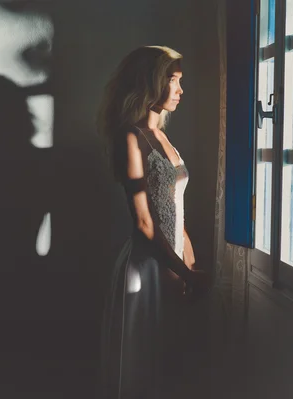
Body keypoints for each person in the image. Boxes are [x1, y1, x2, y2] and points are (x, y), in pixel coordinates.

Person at [97, 45, 210, 399]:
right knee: (143, 369)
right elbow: (146, 223)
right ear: (150, 83)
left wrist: (190, 264)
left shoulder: (162, 137)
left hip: (174, 263)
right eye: (173, 81)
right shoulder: (131, 138)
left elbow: (177, 211)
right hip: (147, 265)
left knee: (172, 366)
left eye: (180, 81)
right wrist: (184, 271)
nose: (180, 90)